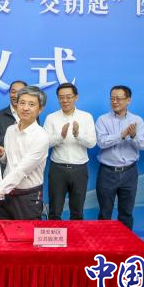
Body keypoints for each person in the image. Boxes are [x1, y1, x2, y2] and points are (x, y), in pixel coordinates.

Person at [0, 86, 49, 220]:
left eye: (31, 104)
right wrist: (3, 154)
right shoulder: (10, 130)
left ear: (40, 109)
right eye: (22, 103)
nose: (25, 108)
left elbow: (21, 170)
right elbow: (11, 161)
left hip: (27, 198)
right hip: (5, 195)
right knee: (1, 231)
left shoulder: (41, 136)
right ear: (16, 105)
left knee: (26, 233)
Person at [95, 85, 144, 230]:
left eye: (118, 99)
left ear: (128, 100)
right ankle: (104, 243)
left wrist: (133, 136)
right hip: (107, 172)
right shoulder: (102, 120)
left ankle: (125, 243)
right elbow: (101, 142)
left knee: (126, 213)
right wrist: (121, 135)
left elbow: (143, 145)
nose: (114, 102)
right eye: (112, 98)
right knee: (104, 212)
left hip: (129, 172)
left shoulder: (137, 120)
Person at [44, 82, 96, 220]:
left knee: (77, 212)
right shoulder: (51, 118)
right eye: (61, 97)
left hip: (79, 169)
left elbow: (92, 143)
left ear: (76, 97)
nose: (65, 100)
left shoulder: (86, 117)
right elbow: (45, 143)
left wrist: (78, 135)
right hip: (57, 169)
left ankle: (75, 235)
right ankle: (55, 235)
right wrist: (60, 136)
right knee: (55, 211)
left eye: (68, 97)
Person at [0, 80, 27, 147]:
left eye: (20, 92)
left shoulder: (31, 114)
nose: (16, 95)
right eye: (13, 92)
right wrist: (12, 134)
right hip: (6, 153)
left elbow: (36, 137)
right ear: (9, 93)